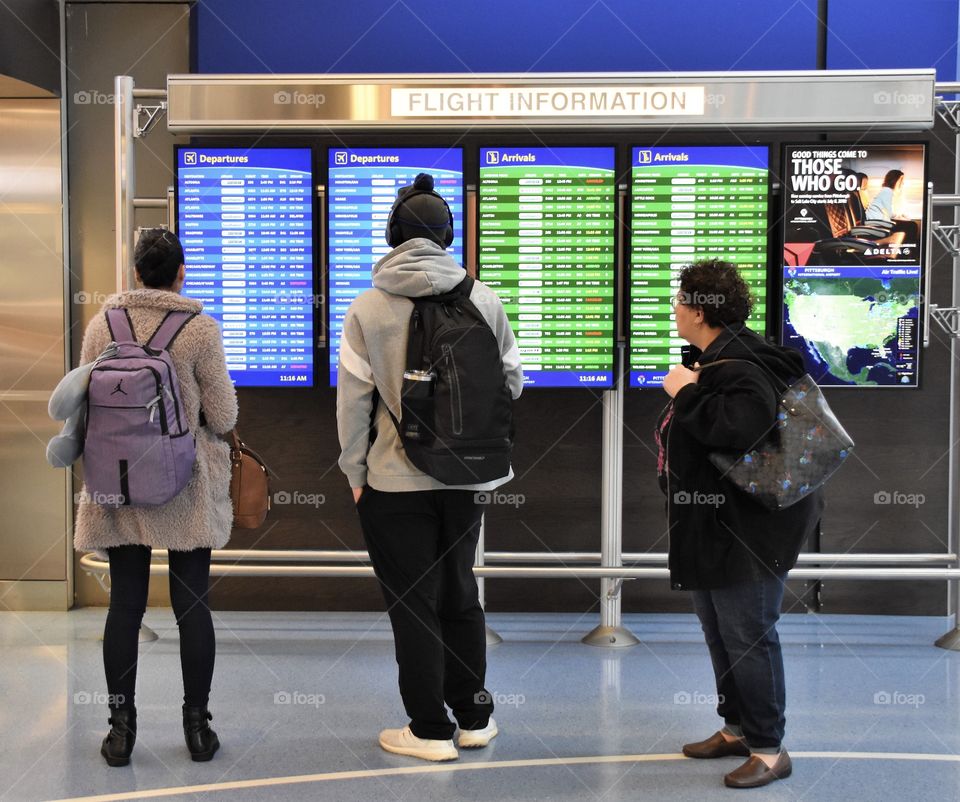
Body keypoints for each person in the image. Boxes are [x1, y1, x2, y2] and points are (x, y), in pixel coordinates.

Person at [337, 173, 523, 762]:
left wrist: (356, 476)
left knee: (411, 600)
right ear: (447, 236)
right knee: (459, 590)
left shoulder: (367, 307)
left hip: (393, 482)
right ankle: (472, 716)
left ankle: (428, 729)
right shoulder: (483, 298)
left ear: (393, 235)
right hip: (466, 477)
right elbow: (512, 383)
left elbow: (353, 405)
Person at [655, 259, 823, 789]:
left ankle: (770, 750)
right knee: (719, 630)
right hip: (717, 523)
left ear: (701, 311)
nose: (675, 309)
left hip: (746, 530)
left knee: (749, 634)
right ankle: (737, 728)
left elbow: (739, 428)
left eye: (681, 301)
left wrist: (683, 392)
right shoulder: (725, 356)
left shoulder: (741, 365)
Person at [74, 228, 238, 767]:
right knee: (192, 606)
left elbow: (83, 404)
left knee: (125, 607)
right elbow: (224, 416)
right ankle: (197, 730)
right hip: (183, 485)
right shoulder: (198, 330)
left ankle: (120, 733)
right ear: (180, 274)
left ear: (137, 274)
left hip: (117, 483)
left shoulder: (103, 324)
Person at [863, 169, 919, 246]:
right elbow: (889, 213)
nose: (902, 183)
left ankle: (906, 249)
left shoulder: (888, 191)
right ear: (895, 180)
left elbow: (889, 211)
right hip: (877, 223)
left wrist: (901, 215)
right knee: (912, 226)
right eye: (901, 180)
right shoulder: (887, 192)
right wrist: (900, 217)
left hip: (881, 221)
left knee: (910, 225)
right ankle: (908, 249)